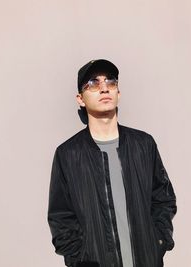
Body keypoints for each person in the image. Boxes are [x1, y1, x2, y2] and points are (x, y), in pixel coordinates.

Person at [47, 59, 177, 267]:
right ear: (80, 99)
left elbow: (164, 199)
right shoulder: (68, 154)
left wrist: (159, 241)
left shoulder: (143, 145)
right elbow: (60, 217)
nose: (104, 87)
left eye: (110, 82)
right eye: (93, 83)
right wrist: (80, 260)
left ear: (118, 93)